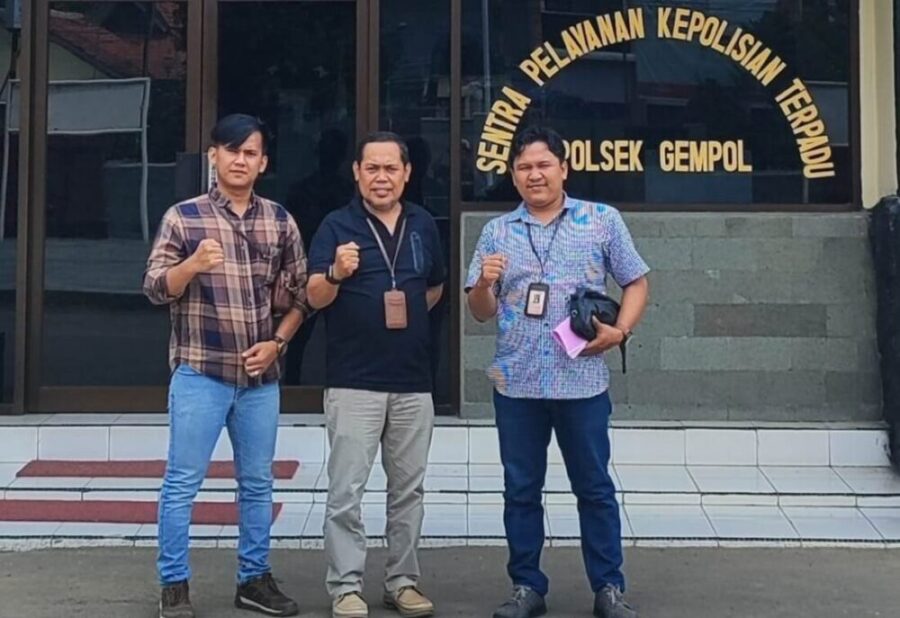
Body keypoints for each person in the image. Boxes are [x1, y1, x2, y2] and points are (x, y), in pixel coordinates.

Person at [465, 126, 650, 618]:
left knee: (594, 488)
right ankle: (527, 587)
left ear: (564, 169)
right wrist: (482, 283)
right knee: (521, 490)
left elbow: (636, 282)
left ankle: (608, 588)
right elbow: (479, 312)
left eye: (544, 164)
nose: (535, 175)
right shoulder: (496, 232)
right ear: (512, 176)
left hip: (582, 383)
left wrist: (621, 331)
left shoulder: (601, 220)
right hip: (517, 384)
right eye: (524, 167)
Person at [143, 114, 308, 618]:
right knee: (182, 483)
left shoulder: (279, 221)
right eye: (231, 150)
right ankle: (174, 586)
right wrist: (192, 265)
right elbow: (154, 288)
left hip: (260, 378)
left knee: (257, 483)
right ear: (213, 155)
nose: (241, 160)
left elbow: (301, 298)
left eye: (250, 152)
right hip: (200, 372)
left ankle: (253, 580)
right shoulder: (183, 218)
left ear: (264, 163)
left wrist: (277, 344)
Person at [306, 131, 445, 618]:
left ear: (406, 173)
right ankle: (346, 586)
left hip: (412, 382)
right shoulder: (336, 225)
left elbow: (434, 288)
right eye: (372, 168)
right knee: (346, 491)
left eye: (390, 168)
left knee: (408, 491)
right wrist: (336, 274)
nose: (381, 177)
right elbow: (313, 295)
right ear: (357, 173)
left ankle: (402, 582)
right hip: (353, 381)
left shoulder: (423, 224)